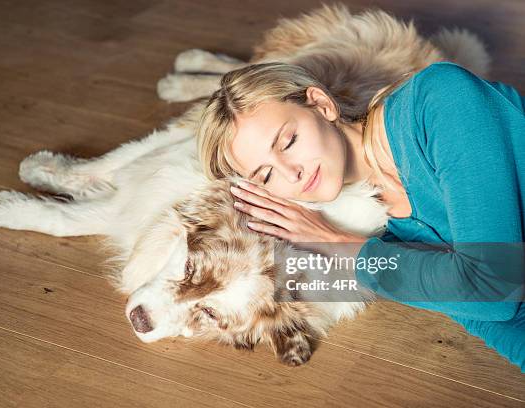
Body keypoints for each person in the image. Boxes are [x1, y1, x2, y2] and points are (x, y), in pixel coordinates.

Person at [195, 61, 525, 371]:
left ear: (322, 105)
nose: (291, 172)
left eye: (289, 141)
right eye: (266, 176)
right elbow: (499, 318)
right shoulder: (390, 236)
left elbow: (491, 289)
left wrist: (345, 247)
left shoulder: (439, 97)